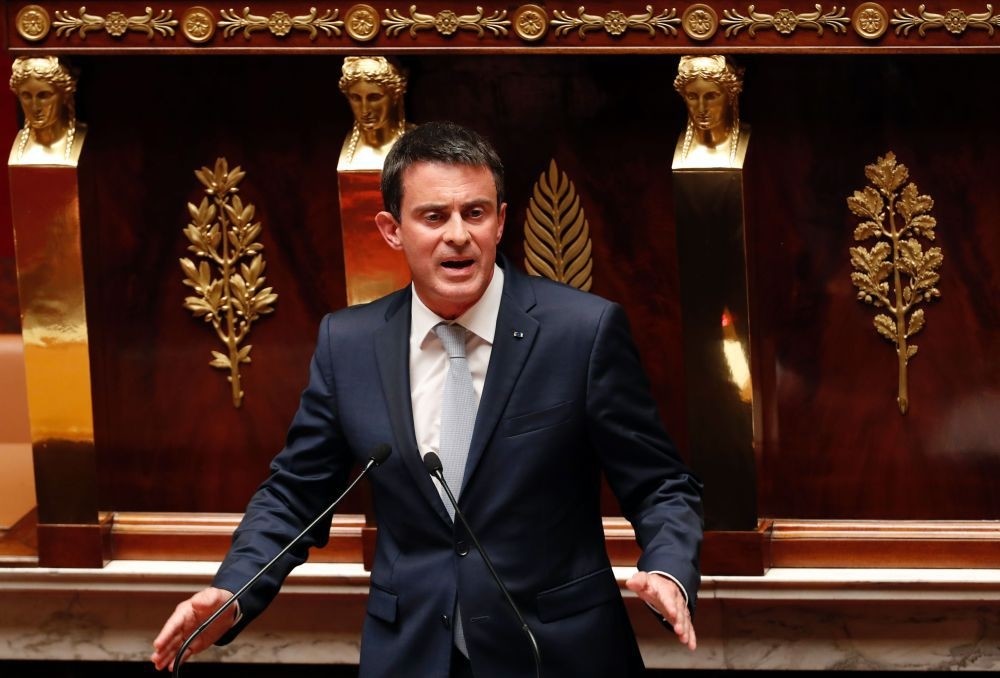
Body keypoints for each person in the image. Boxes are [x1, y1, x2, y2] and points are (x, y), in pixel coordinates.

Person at [152, 121, 703, 677]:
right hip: (412, 655)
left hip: (556, 654)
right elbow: (296, 495)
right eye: (434, 216)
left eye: (476, 213)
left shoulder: (581, 333)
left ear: (501, 221)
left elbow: (660, 483)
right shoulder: (349, 345)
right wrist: (234, 589)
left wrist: (668, 569)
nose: (458, 235)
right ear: (392, 229)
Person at [337, 56, 415, 171]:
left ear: (395, 96)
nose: (365, 110)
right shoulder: (349, 148)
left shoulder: (415, 143)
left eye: (374, 97)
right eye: (356, 98)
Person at [672, 54, 748, 169]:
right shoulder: (675, 145)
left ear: (731, 95)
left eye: (711, 96)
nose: (701, 108)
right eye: (692, 97)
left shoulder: (751, 141)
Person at [8, 56, 84, 166]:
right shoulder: (19, 149)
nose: (35, 107)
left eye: (44, 96)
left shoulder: (81, 138)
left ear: (65, 95)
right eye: (26, 96)